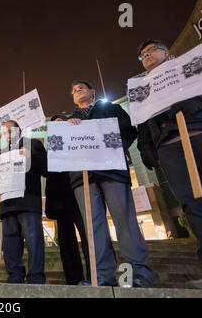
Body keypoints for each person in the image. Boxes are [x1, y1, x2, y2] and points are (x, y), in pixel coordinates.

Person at [67, 80, 155, 287]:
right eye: (74, 91)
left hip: (112, 171)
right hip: (83, 178)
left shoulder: (112, 109)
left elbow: (129, 132)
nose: (77, 91)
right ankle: (102, 277)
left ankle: (138, 273)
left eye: (81, 88)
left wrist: (112, 149)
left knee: (124, 219)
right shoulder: (68, 121)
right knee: (93, 227)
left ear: (92, 92)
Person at [135, 39, 202, 270]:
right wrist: (146, 147)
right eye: (142, 54)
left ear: (166, 52)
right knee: (190, 202)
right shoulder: (141, 87)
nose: (146, 55)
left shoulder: (187, 67)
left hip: (196, 132)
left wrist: (192, 104)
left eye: (150, 50)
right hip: (168, 148)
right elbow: (142, 122)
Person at [0, 120, 47, 284]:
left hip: (28, 201)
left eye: (9, 131)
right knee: (10, 244)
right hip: (7, 204)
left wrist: (30, 157)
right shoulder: (1, 153)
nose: (7, 135)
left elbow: (46, 168)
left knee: (33, 241)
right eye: (4, 133)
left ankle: (36, 277)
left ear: (19, 130)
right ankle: (14, 276)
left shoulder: (33, 144)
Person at [46, 115, 90, 285]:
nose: (57, 126)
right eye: (54, 124)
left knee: (88, 236)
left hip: (78, 193)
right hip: (60, 200)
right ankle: (73, 279)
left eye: (60, 122)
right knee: (66, 242)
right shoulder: (50, 146)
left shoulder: (77, 139)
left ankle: (95, 275)